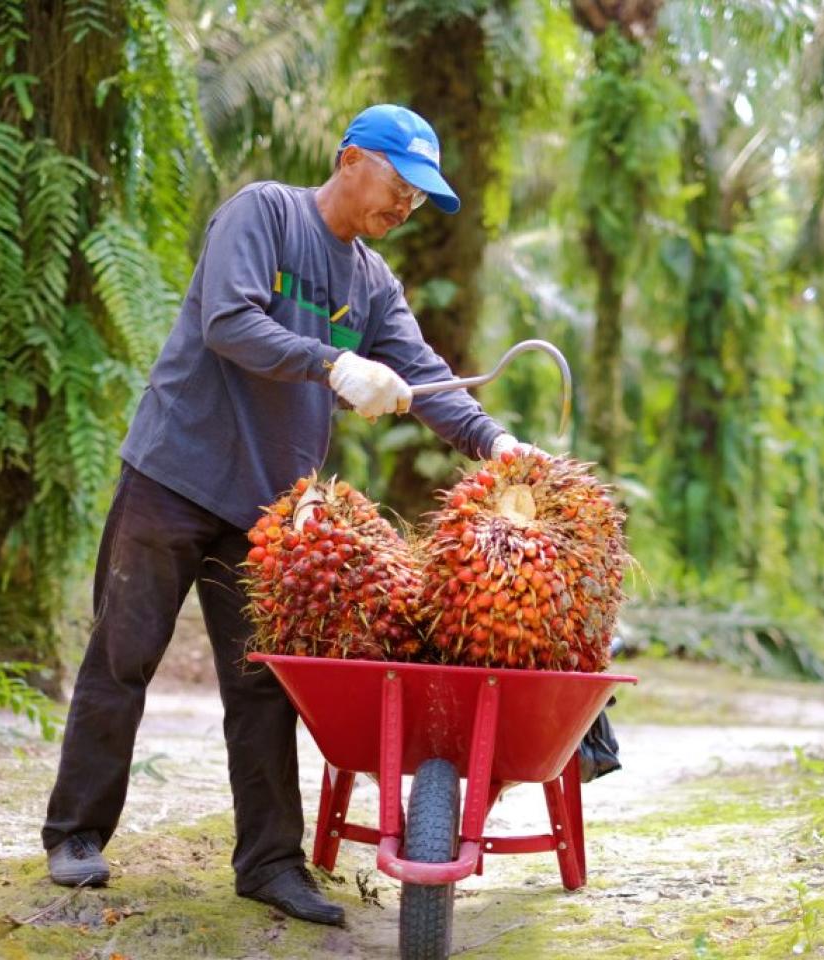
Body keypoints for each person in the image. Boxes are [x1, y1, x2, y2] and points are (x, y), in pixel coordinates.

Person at [41, 104, 521, 927]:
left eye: (420, 197)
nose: (406, 207)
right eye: (400, 185)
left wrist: (499, 442)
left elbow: (424, 375)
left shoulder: (372, 281)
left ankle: (268, 862)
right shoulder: (264, 213)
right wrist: (333, 362)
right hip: (173, 473)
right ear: (347, 159)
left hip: (267, 512)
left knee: (263, 687)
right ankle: (76, 834)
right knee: (123, 657)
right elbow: (230, 323)